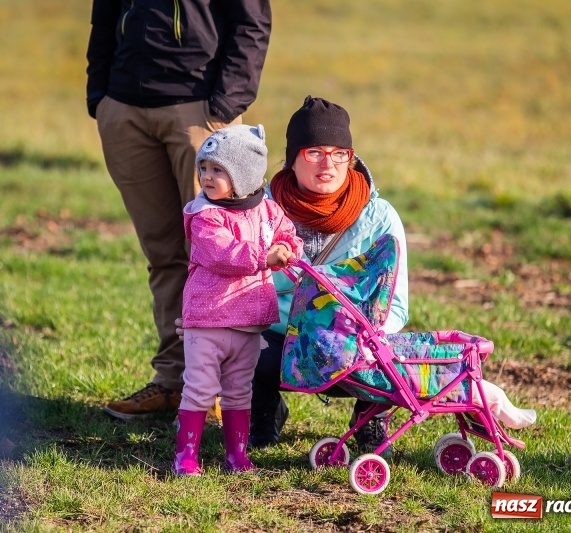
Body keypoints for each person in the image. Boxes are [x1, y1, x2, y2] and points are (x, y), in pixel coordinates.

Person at [86, 0, 272, 420]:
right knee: (163, 254)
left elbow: (252, 21)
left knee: (217, 254)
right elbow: (104, 15)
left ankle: (227, 392)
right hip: (124, 109)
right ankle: (173, 383)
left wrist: (224, 104)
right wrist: (100, 95)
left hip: (200, 110)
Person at [248, 95, 411, 451]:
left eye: (340, 153)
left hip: (351, 342)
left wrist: (358, 336)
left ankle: (370, 420)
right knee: (240, 347)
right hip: (280, 337)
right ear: (292, 158)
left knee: (394, 357)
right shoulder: (261, 211)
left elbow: (396, 305)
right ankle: (263, 414)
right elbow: (243, 285)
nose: (329, 164)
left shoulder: (380, 217)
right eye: (315, 152)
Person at [173, 124, 303, 475]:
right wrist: (265, 256)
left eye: (218, 170)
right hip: (208, 319)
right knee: (200, 388)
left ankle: (237, 455)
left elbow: (288, 235)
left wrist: (286, 248)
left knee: (238, 391)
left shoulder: (267, 211)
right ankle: (186, 457)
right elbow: (222, 253)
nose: (207, 177)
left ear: (244, 176)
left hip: (248, 321)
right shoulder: (204, 215)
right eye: (204, 168)